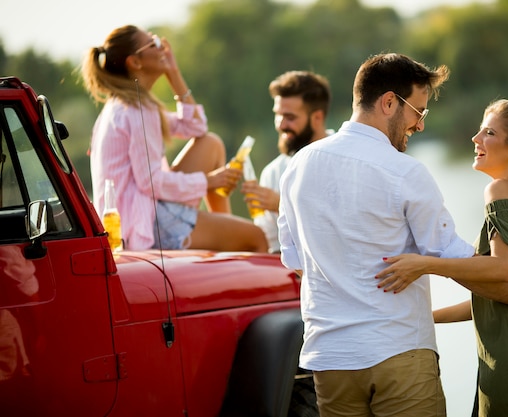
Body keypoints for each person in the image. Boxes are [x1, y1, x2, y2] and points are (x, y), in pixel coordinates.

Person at [277, 52, 479, 416]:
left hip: (330, 360)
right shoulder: (404, 171)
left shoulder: (296, 168)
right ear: (389, 102)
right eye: (419, 111)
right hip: (398, 354)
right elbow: (450, 254)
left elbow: (293, 260)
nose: (419, 125)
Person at [376, 99, 508, 416]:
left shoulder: (501, 191)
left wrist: (426, 264)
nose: (475, 139)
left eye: (489, 133)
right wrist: (424, 317)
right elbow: (494, 299)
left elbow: (501, 268)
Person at [81, 25, 267, 252]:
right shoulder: (135, 109)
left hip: (146, 211)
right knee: (257, 238)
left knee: (211, 143)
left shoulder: (128, 105)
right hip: (145, 223)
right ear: (135, 62)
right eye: (153, 44)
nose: (163, 47)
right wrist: (209, 181)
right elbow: (151, 182)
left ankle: (225, 242)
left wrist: (174, 73)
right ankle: (228, 247)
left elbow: (197, 127)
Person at [240, 70, 332, 253]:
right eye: (278, 115)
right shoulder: (273, 171)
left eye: (290, 117)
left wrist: (282, 205)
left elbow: (342, 230)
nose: (280, 125)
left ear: (317, 118)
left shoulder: (344, 163)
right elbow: (270, 244)